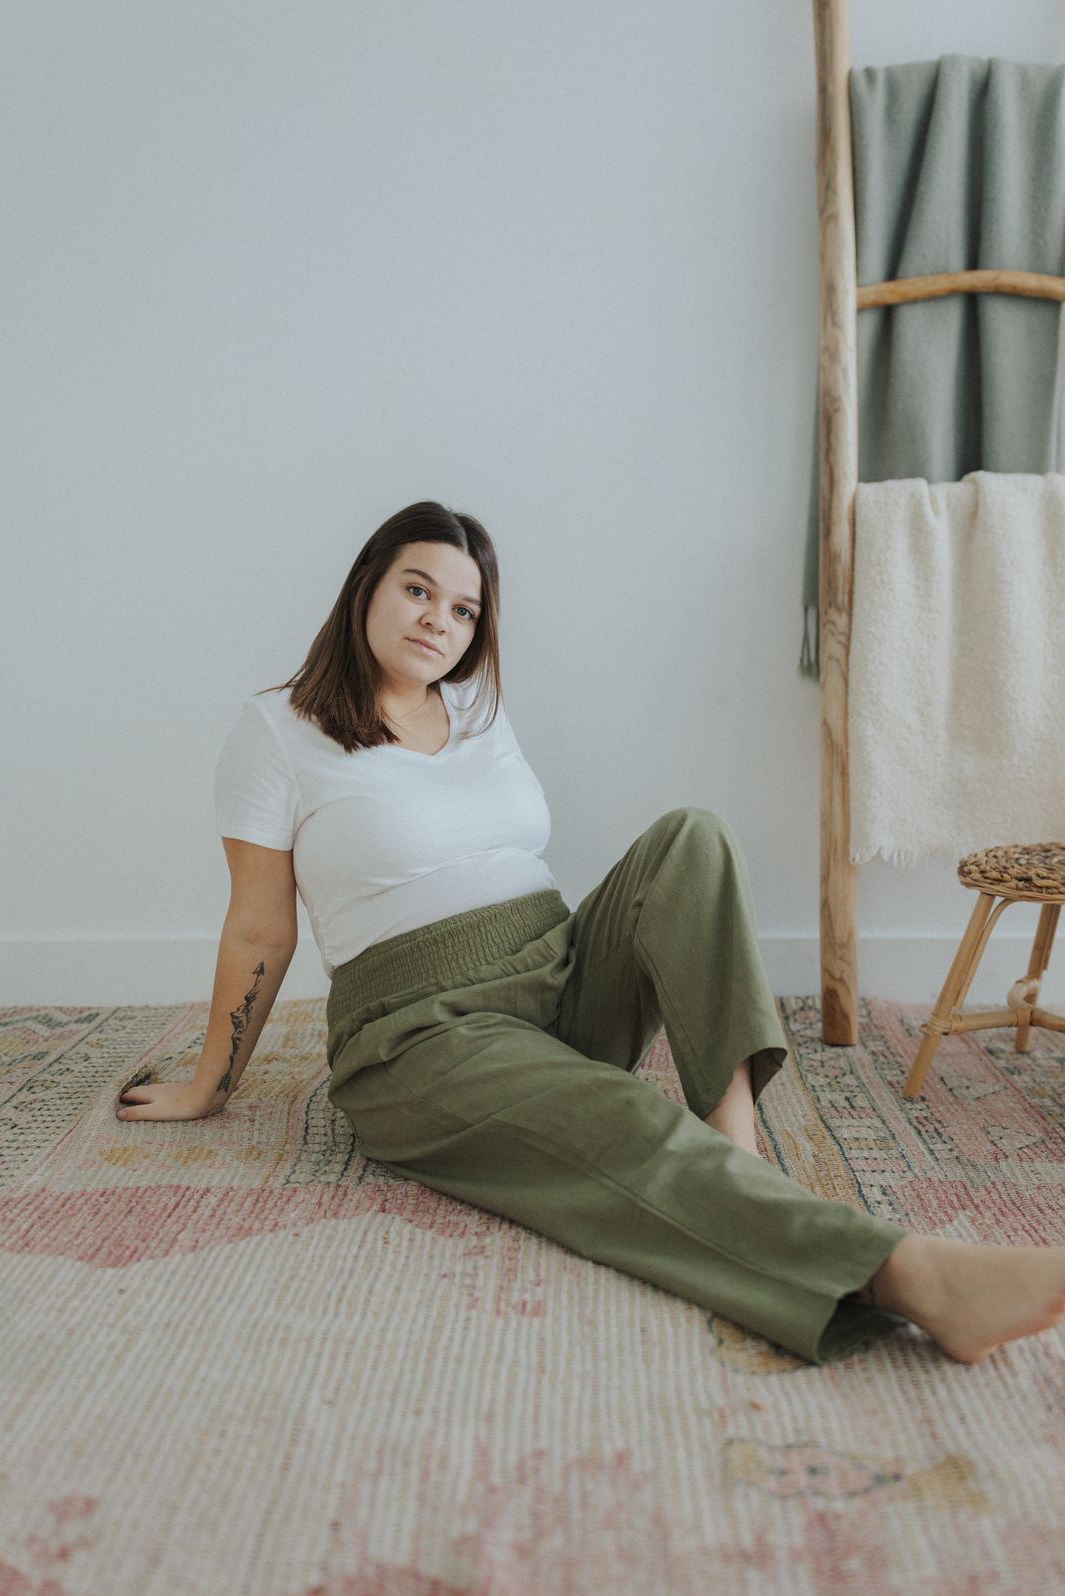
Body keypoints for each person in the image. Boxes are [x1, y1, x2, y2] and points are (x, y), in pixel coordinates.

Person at [116, 500, 1065, 1367]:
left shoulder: (479, 709)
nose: (437, 622)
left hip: (557, 974)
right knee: (622, 1122)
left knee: (690, 838)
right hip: (421, 1034)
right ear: (366, 584)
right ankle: (911, 1277)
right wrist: (211, 1082)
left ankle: (731, 1138)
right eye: (417, 589)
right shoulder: (278, 730)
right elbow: (258, 925)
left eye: (463, 610)